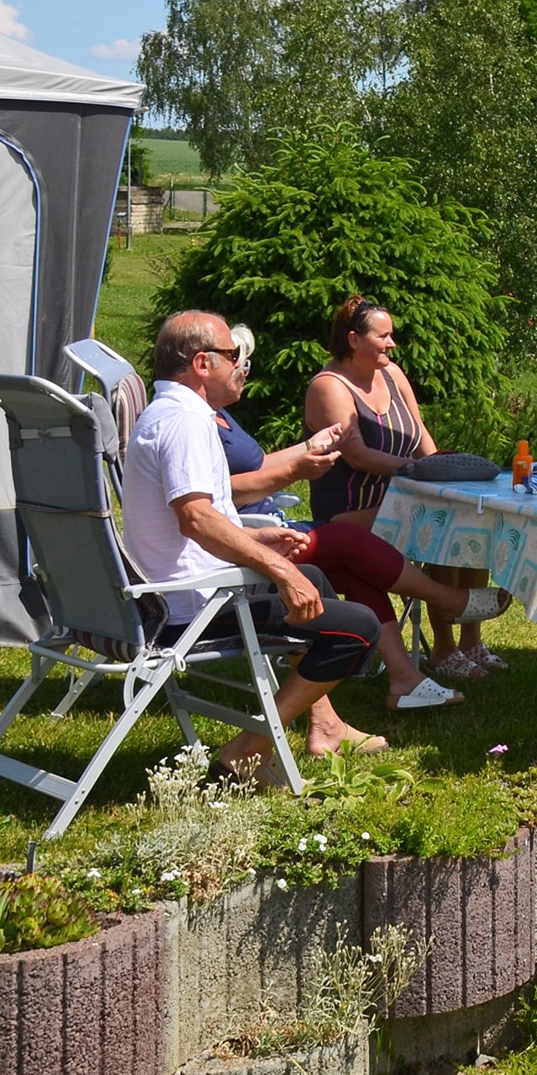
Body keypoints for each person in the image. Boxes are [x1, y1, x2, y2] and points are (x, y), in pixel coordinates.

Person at [121, 308, 387, 768]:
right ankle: (251, 746)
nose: (240, 363)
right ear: (203, 364)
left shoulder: (166, 412)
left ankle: (326, 725)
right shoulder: (186, 420)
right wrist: (278, 570)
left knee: (315, 581)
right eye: (232, 354)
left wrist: (260, 539)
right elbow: (196, 519)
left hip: (170, 590)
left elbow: (196, 517)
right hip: (188, 607)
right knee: (356, 628)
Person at [210, 324, 480, 712]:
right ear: (204, 365)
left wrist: (307, 446)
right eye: (237, 362)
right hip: (245, 540)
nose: (244, 372)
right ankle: (447, 600)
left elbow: (251, 468)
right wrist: (295, 472)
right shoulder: (194, 423)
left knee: (355, 565)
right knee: (347, 540)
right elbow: (218, 495)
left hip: (264, 529)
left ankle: (405, 678)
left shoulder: (218, 417)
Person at [304, 295, 509, 679]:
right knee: (442, 522)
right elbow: (358, 455)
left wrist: (444, 473)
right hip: (350, 511)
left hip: (402, 499)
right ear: (353, 340)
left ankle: (470, 640)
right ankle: (444, 647)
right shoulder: (329, 387)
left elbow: (420, 435)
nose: (392, 343)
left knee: (465, 510)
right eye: (383, 336)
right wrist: (418, 471)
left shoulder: (392, 375)